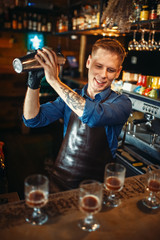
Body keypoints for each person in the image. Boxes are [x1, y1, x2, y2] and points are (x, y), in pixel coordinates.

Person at [23, 38, 132, 192]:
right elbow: (32, 120)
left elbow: (92, 116)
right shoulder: (70, 96)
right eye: (98, 66)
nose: (103, 75)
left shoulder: (122, 103)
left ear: (118, 72)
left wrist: (54, 81)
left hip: (94, 189)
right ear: (88, 62)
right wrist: (33, 84)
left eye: (111, 70)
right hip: (58, 182)